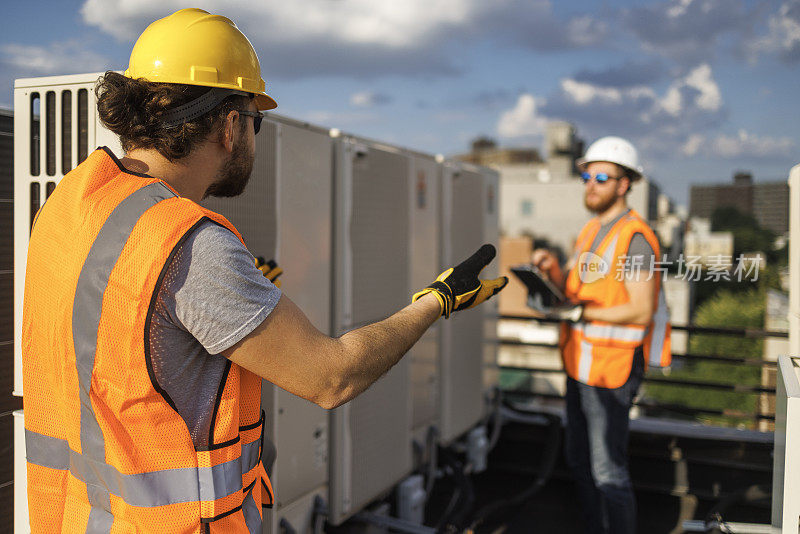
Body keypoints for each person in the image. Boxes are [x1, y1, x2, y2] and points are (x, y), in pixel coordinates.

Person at [21, 8, 507, 533]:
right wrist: (436, 300)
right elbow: (331, 378)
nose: (255, 134)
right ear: (231, 125)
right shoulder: (189, 244)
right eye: (256, 119)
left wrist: (221, 307)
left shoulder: (69, 202)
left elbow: (117, 327)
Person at [530, 136, 671, 534]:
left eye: (601, 177)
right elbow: (580, 293)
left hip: (611, 372)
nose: (590, 184)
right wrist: (552, 273)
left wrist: (580, 312)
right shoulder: (592, 230)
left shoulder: (637, 238)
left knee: (609, 472)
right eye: (587, 176)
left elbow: (641, 309)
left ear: (624, 184)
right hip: (580, 363)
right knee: (579, 461)